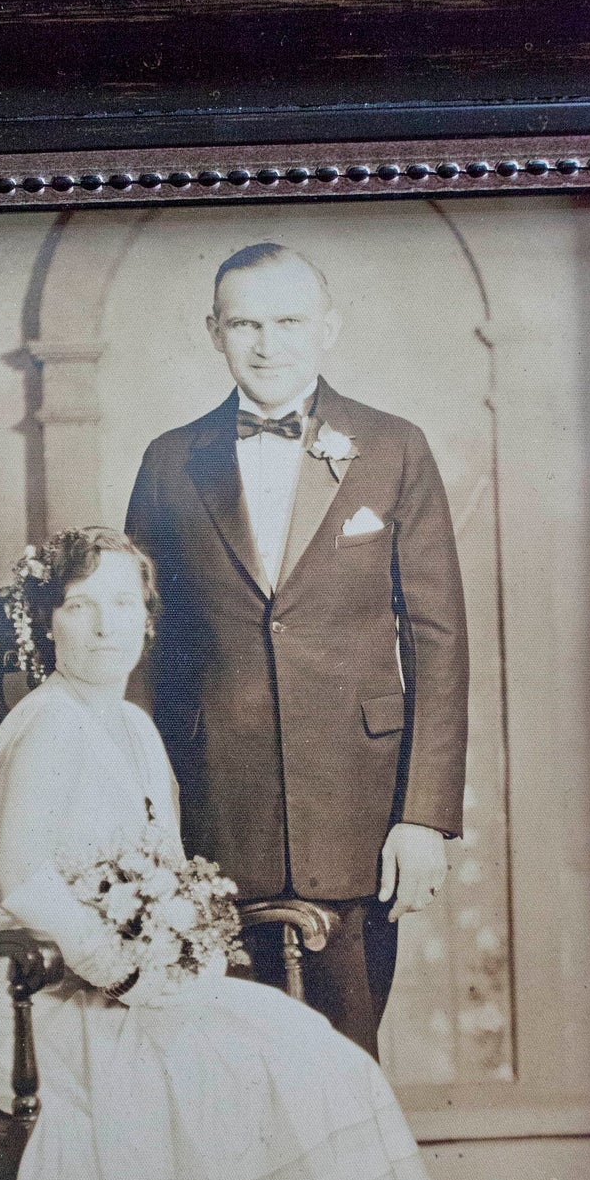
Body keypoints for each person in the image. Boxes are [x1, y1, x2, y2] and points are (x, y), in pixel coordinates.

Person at [0, 525, 462, 1180]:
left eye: (124, 605)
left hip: (128, 985)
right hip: (41, 999)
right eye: (79, 607)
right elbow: (20, 881)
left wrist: (175, 939)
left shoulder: (132, 724)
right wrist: (115, 958)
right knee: (218, 1082)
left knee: (311, 1054)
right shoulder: (38, 727)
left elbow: (157, 864)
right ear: (48, 626)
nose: (105, 627)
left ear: (148, 623)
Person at [125, 240, 470, 1058]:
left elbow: (438, 640)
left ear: (328, 328)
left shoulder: (393, 447)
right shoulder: (169, 459)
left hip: (358, 812)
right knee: (222, 1064)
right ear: (213, 332)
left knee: (345, 1061)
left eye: (287, 321)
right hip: (213, 809)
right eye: (244, 323)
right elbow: (145, 643)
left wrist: (423, 817)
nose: (266, 343)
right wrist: (143, 814)